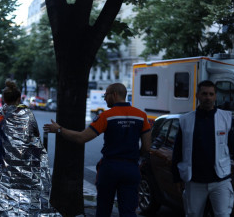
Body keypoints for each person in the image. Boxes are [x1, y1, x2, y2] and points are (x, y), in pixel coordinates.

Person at [43, 83, 152, 217]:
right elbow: (147, 147)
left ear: (114, 95)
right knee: (128, 211)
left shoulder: (106, 116)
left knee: (103, 210)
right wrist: (133, 158)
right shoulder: (141, 116)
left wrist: (59, 129)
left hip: (110, 168)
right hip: (131, 168)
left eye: (106, 95)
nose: (105, 98)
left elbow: (82, 137)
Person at [172, 80, 234, 217]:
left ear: (215, 96)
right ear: (197, 95)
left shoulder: (226, 118)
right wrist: (176, 178)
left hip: (221, 181)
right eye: (204, 94)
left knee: (223, 214)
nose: (208, 97)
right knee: (193, 214)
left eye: (211, 94)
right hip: (194, 181)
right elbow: (178, 150)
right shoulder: (186, 120)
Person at [0, 79, 59, 216]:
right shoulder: (27, 114)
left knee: (5, 196)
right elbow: (35, 138)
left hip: (3, 163)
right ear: (19, 98)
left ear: (3, 99)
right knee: (24, 195)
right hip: (25, 163)